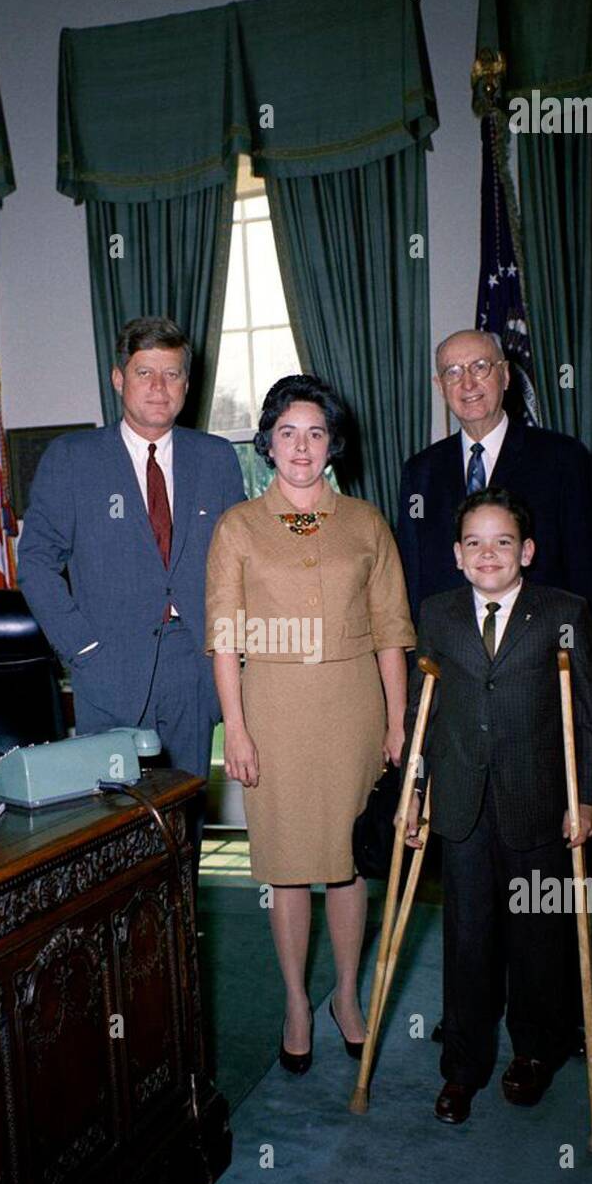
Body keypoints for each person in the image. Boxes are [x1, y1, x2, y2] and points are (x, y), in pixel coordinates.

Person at [205, 375, 415, 1073]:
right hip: (274, 713)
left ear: (333, 445)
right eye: (288, 432)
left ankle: (346, 996)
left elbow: (391, 629)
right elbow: (224, 636)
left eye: (315, 433)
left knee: (351, 862)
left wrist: (397, 721)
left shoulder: (366, 522)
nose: (301, 446)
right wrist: (234, 729)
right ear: (267, 442)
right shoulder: (238, 526)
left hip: (355, 707)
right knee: (290, 867)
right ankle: (297, 1000)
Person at [402, 488, 592, 1123]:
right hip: (463, 804)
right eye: (474, 543)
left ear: (527, 550)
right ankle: (462, 1066)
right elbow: (422, 717)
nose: (487, 553)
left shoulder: (562, 612)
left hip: (539, 802)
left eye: (501, 542)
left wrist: (590, 799)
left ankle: (535, 1052)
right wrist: (414, 794)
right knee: (467, 938)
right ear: (457, 555)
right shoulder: (437, 614)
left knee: (536, 935)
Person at [19, 317, 246, 856]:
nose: (159, 387)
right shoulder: (73, 459)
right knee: (111, 834)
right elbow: (35, 562)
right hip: (108, 667)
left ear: (188, 386)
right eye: (145, 373)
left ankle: (181, 936)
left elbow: (241, 566)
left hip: (193, 669)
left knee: (185, 833)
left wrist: (234, 656)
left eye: (172, 375)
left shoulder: (215, 458)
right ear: (119, 378)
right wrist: (83, 648)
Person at [396, 329, 592, 700]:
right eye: (453, 372)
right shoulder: (420, 472)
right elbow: (414, 585)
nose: (467, 382)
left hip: (541, 684)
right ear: (439, 385)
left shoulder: (563, 460)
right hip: (453, 687)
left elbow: (587, 581)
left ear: (505, 374)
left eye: (480, 367)